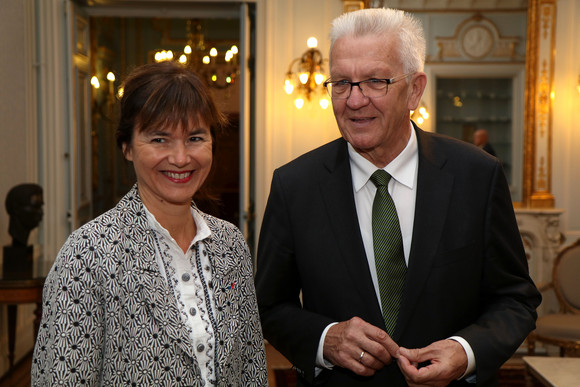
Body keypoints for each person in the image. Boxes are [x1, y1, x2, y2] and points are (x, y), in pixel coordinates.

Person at [255, 8, 540, 387]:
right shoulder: (295, 186)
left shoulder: (477, 176)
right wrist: (327, 339)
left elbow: (515, 299)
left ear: (415, 89)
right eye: (341, 83)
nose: (354, 101)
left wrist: (465, 351)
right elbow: (269, 306)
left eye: (375, 81)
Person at [32, 61, 267, 386]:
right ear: (127, 147)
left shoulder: (231, 244)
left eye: (195, 137)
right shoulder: (87, 255)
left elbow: (252, 367)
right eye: (160, 140)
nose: (181, 157)